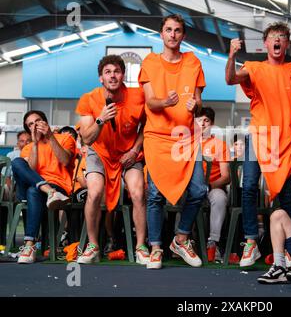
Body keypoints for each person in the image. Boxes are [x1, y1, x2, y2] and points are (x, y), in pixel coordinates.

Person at [225, 22, 291, 267]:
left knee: (287, 194)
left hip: (286, 138)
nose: (277, 40)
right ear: (265, 44)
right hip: (259, 135)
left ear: (286, 44)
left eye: (281, 37)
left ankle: (290, 249)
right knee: (248, 187)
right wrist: (232, 55)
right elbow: (231, 78)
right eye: (273, 37)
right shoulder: (254, 67)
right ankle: (251, 242)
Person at [139, 14, 207, 269]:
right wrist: (165, 102)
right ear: (161, 34)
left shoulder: (193, 61)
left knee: (199, 190)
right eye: (168, 30)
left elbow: (199, 102)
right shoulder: (150, 62)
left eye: (178, 30)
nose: (173, 34)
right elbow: (149, 101)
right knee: (155, 195)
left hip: (186, 138)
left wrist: (195, 104)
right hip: (157, 137)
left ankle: (180, 238)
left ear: (183, 35)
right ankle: (156, 248)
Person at [76, 55, 148, 265]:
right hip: (99, 152)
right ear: (101, 78)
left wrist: (134, 150)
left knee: (137, 192)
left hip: (128, 154)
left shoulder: (138, 96)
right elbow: (87, 138)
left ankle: (141, 247)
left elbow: (147, 126)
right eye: (108, 72)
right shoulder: (88, 99)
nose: (113, 76)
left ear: (123, 75)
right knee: (95, 192)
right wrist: (101, 119)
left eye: (116, 71)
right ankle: (93, 246)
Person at [12, 110, 75, 263]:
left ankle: (29, 245)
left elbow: (65, 161)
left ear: (45, 122)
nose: (35, 126)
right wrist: (34, 143)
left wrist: (50, 136)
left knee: (34, 190)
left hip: (59, 185)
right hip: (36, 187)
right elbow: (31, 172)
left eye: (38, 121)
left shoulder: (65, 138)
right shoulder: (28, 147)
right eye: (30, 124)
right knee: (17, 163)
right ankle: (49, 191)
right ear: (28, 129)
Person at [196, 107, 231, 262]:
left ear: (212, 124)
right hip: (191, 188)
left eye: (206, 120)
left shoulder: (220, 145)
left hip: (212, 188)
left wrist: (209, 186)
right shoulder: (186, 143)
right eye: (199, 120)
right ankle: (182, 241)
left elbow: (226, 176)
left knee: (220, 198)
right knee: (178, 196)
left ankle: (213, 244)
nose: (202, 124)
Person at [3, 131, 31, 200]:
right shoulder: (11, 155)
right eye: (22, 141)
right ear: (18, 144)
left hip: (31, 184)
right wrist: (10, 189)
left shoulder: (36, 154)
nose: (25, 143)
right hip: (16, 185)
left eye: (28, 141)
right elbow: (6, 175)